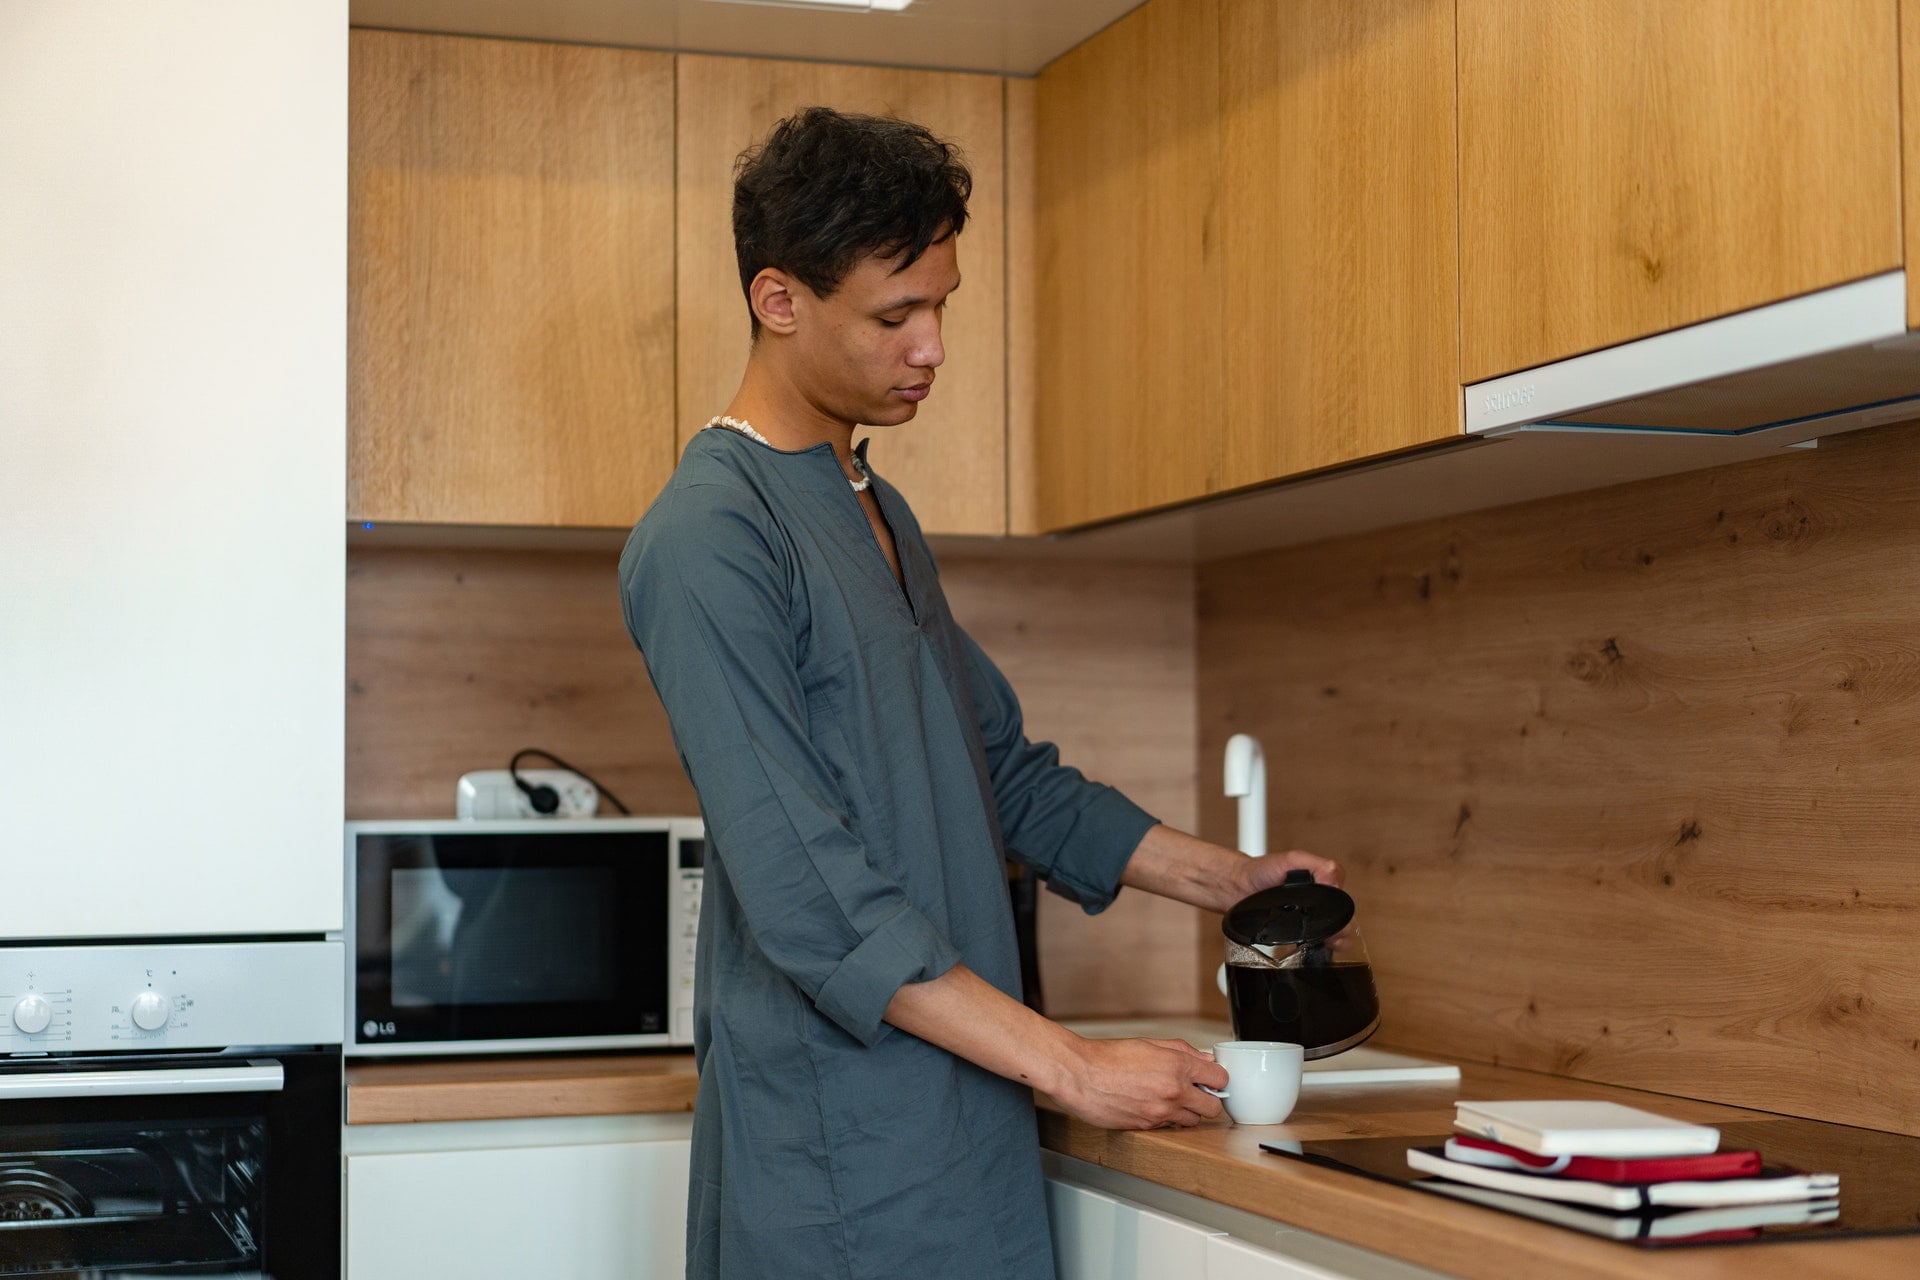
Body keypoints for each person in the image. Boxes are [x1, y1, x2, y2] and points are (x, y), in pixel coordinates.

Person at [619, 106, 1340, 1280]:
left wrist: (1230, 879)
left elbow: (995, 767)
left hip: (962, 1115)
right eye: (896, 314)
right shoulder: (710, 535)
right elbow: (810, 894)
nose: (933, 347)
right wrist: (1073, 1063)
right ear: (778, 299)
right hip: (841, 1150)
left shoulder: (875, 508)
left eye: (942, 305)